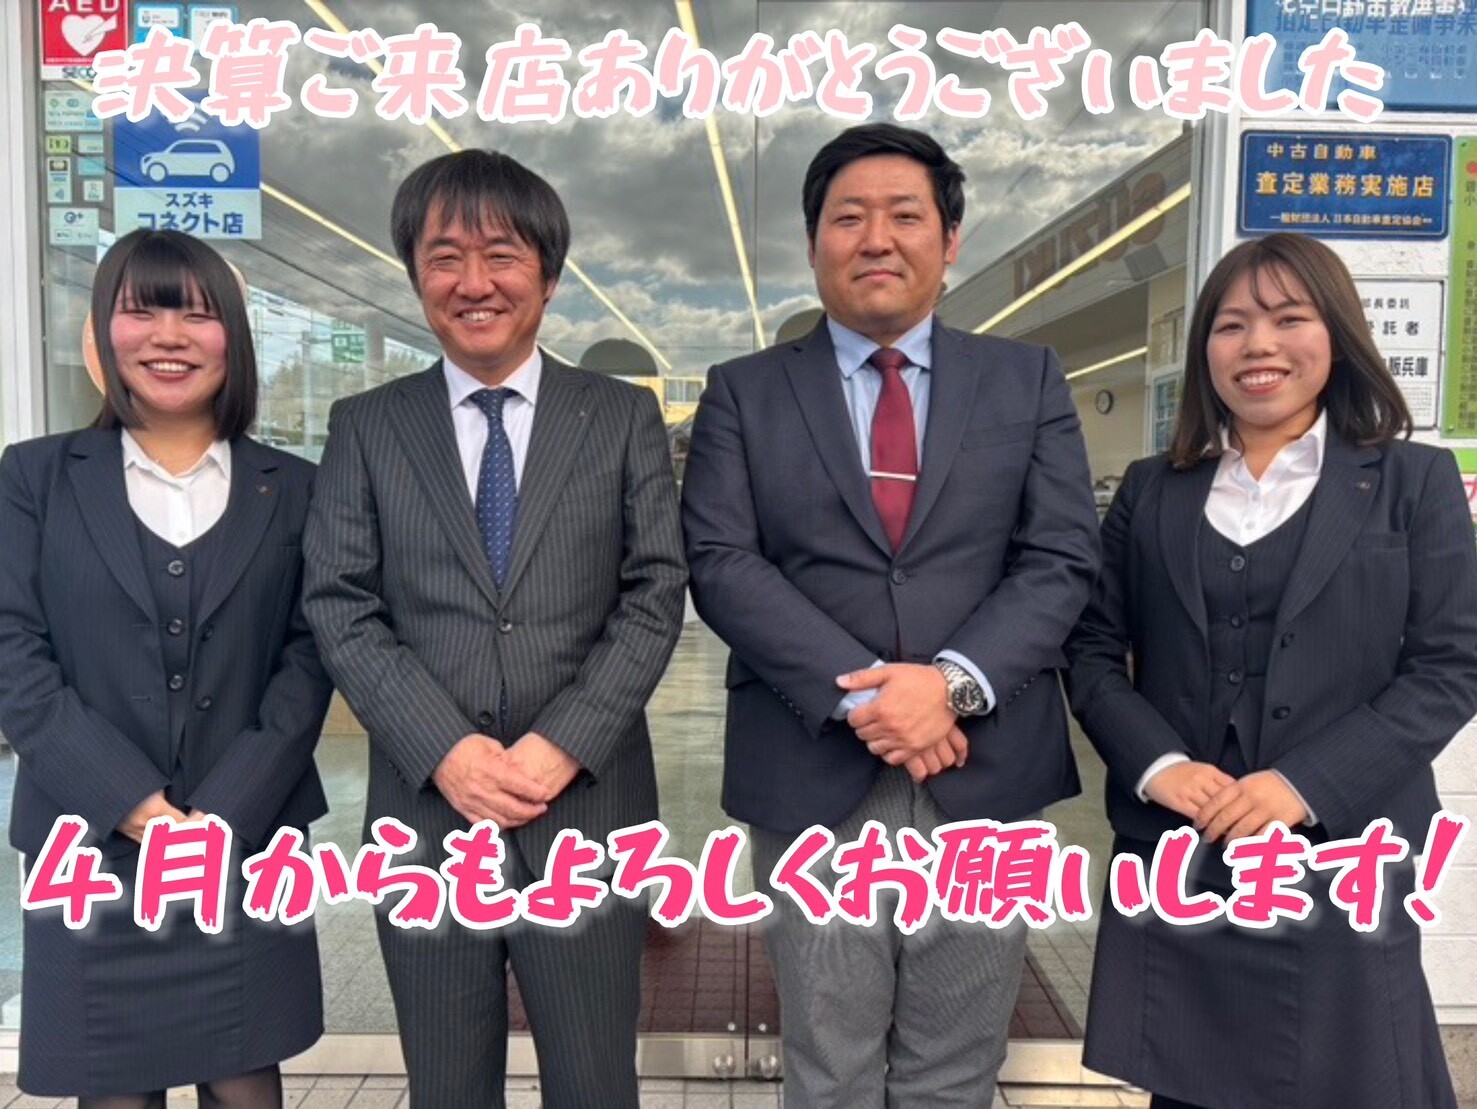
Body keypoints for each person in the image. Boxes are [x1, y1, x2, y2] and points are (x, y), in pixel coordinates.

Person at [681, 123, 1100, 1107]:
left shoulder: (1025, 380)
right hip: (812, 762)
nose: (876, 238)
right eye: (849, 218)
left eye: (905, 215)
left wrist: (949, 685)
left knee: (957, 1061)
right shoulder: (743, 392)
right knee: (827, 1060)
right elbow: (723, 562)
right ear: (812, 242)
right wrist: (871, 698)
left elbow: (1059, 556)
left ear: (948, 240)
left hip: (983, 764)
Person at [302, 149, 686, 1109]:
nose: (473, 282)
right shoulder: (367, 425)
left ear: (547, 276)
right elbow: (340, 600)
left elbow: (654, 590)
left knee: (594, 1082)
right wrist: (446, 751)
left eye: (501, 254)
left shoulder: (620, 417)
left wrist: (563, 744)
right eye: (445, 257)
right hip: (427, 813)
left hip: (587, 808)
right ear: (415, 276)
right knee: (445, 1084)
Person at [1065, 231, 1477, 1108]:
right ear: (1203, 348)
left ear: (1336, 334)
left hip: (1342, 847)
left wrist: (1301, 785)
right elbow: (1091, 649)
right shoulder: (1152, 488)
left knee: (1355, 1080)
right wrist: (1159, 766)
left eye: (1288, 318)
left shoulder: (1411, 481)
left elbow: (1449, 666)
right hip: (1186, 844)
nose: (1258, 345)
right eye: (1231, 324)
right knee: (1189, 1080)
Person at [0, 228, 332, 1107]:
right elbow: (12, 653)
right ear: (103, 332)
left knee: (244, 1083)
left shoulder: (297, 486)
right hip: (89, 846)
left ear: (235, 337)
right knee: (114, 1089)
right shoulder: (35, 477)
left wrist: (218, 817)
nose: (169, 335)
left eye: (197, 312)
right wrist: (136, 806)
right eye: (141, 310)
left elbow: (309, 660)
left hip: (244, 840)